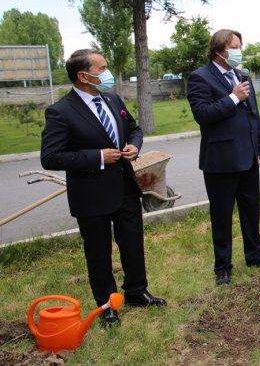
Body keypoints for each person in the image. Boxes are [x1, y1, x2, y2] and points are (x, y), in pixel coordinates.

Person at [40, 49, 166, 328]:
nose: (108, 74)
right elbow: (50, 157)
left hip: (125, 188)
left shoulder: (111, 98)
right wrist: (97, 157)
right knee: (98, 252)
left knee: (133, 242)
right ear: (84, 75)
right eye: (102, 68)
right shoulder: (61, 111)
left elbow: (133, 127)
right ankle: (107, 305)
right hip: (91, 195)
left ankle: (136, 291)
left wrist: (135, 145)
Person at [187, 29, 260, 286]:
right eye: (235, 46)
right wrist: (232, 97)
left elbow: (253, 114)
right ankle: (223, 267)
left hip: (248, 156)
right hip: (221, 160)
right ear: (219, 50)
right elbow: (202, 114)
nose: (239, 51)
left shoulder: (242, 74)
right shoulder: (199, 78)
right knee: (222, 215)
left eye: (240, 45)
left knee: (251, 210)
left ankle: (254, 255)